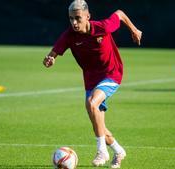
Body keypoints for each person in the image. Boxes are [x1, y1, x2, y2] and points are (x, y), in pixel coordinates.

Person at [43, 0, 142, 168]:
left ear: (87, 16)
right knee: (98, 123)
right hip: (91, 79)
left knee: (91, 103)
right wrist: (49, 59)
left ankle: (101, 151)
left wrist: (134, 29)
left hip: (111, 74)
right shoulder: (69, 35)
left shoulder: (103, 27)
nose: (74, 22)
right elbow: (52, 54)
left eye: (78, 18)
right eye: (71, 18)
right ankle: (118, 151)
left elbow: (119, 13)